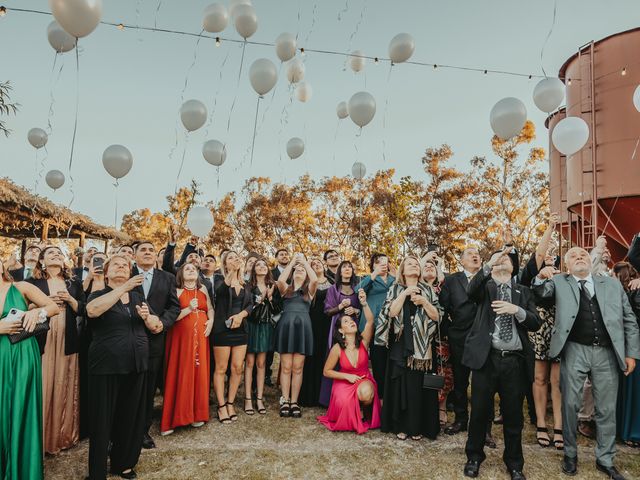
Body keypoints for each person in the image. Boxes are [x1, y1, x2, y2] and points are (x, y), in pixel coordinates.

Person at [534, 247, 640, 480]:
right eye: (573, 256)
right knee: (570, 405)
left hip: (607, 353)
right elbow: (540, 294)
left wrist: (631, 353)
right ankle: (570, 455)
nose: (579, 257)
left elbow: (629, 319)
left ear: (590, 261)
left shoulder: (611, 284)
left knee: (606, 409)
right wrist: (540, 277)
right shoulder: (560, 281)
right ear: (567, 265)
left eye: (583, 254)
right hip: (574, 349)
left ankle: (605, 459)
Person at [462, 247, 541, 480]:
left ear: (514, 267)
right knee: (478, 412)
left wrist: (516, 310)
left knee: (514, 415)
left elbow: (535, 321)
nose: (503, 260)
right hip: (487, 359)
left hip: (514, 362)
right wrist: (488, 264)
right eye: (499, 257)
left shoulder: (523, 291)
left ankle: (515, 464)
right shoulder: (485, 288)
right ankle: (474, 457)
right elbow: (470, 291)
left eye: (507, 258)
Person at [85, 254, 164, 480]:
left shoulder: (138, 297)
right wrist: (123, 289)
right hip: (106, 365)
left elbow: (155, 326)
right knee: (102, 420)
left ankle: (124, 463)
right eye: (116, 265)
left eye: (125, 266)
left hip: (137, 364)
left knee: (131, 417)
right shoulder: (99, 294)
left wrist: (149, 318)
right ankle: (97, 472)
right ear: (107, 272)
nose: (121, 268)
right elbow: (92, 311)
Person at [0, 259, 59, 480]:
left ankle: (22, 471)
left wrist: (38, 313)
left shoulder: (21, 287)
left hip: (22, 355)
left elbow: (53, 307)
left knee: (20, 408)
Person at [377, 255, 443, 441]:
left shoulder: (428, 290)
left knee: (418, 387)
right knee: (401, 386)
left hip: (423, 347)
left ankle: (418, 426)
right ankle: (401, 425)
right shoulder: (395, 288)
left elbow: (437, 316)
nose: (414, 265)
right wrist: (404, 294)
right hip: (401, 344)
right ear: (403, 271)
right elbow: (390, 312)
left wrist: (425, 302)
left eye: (416, 264)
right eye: (409, 264)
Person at [27, 246, 85, 454]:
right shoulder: (33, 282)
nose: (57, 256)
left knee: (63, 382)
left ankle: (62, 435)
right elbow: (24, 308)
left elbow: (84, 309)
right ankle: (38, 439)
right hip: (42, 337)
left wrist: (69, 300)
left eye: (59, 254)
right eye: (51, 253)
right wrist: (44, 304)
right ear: (42, 260)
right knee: (42, 384)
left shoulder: (73, 283)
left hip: (67, 338)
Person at [519, 213, 564, 449]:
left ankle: (558, 427)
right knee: (539, 379)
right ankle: (540, 425)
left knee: (557, 382)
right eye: (543, 258)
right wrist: (550, 227)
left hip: (558, 333)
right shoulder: (530, 279)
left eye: (550, 259)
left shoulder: (564, 279)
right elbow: (537, 254)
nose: (546, 259)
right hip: (537, 333)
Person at [132, 241, 181, 450]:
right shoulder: (125, 274)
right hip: (128, 336)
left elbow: (174, 306)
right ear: (134, 255)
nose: (148, 252)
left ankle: (142, 430)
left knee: (148, 387)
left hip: (155, 338)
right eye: (143, 249)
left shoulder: (167, 278)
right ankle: (118, 432)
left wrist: (162, 323)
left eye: (151, 250)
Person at [318, 288, 381, 434]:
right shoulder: (337, 348)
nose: (351, 322)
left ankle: (363, 409)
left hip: (363, 378)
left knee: (366, 393)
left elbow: (370, 321)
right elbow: (326, 371)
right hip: (344, 381)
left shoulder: (363, 341)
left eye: (351, 320)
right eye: (346, 321)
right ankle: (354, 410)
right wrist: (347, 376)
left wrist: (364, 304)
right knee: (344, 402)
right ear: (341, 330)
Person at [160, 263, 213, 435]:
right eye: (187, 268)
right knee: (182, 372)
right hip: (180, 339)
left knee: (199, 372)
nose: (191, 270)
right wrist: (189, 308)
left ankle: (197, 414)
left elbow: (210, 309)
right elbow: (171, 318)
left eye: (194, 269)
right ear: (180, 273)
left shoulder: (203, 289)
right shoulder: (176, 291)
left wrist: (210, 321)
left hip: (201, 338)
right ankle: (175, 417)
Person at [439, 246, 482, 435]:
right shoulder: (451, 280)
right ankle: (461, 420)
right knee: (460, 382)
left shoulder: (488, 278)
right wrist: (451, 331)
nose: (475, 256)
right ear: (462, 261)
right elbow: (443, 308)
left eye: (477, 254)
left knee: (483, 384)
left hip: (483, 337)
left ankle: (484, 427)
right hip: (459, 338)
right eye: (470, 254)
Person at [212, 251, 253, 424]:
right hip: (222, 329)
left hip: (240, 330)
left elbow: (251, 305)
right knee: (221, 368)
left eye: (236, 257)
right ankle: (221, 406)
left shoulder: (246, 284)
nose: (234, 260)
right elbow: (221, 292)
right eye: (230, 258)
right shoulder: (219, 279)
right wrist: (231, 272)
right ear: (224, 263)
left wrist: (241, 315)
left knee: (237, 368)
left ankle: (230, 403)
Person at [275, 253, 318, 418]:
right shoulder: (286, 289)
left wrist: (305, 263)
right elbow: (280, 280)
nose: (299, 271)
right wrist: (293, 262)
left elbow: (315, 280)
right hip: (287, 328)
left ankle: (294, 402)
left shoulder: (309, 290)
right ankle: (285, 400)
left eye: (303, 270)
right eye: (296, 270)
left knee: (298, 367)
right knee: (286, 367)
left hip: (303, 329)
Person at [320, 260, 362, 406]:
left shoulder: (358, 288)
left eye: (350, 267)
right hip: (337, 328)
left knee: (352, 359)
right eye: (344, 267)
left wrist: (356, 311)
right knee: (336, 359)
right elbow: (327, 311)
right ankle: (330, 399)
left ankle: (353, 397)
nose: (347, 269)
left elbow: (363, 307)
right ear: (339, 271)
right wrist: (339, 306)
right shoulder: (333, 289)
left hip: (354, 327)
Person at [355, 253, 395, 398]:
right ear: (373, 265)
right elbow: (357, 290)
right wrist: (375, 273)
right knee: (373, 359)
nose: (383, 264)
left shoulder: (394, 279)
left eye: (386, 261)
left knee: (387, 359)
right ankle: (374, 395)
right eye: (379, 262)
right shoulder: (369, 278)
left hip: (389, 323)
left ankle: (388, 394)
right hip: (371, 322)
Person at [244, 257, 279, 415]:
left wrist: (270, 298)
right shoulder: (248, 286)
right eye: (258, 265)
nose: (261, 267)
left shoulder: (273, 286)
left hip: (265, 326)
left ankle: (259, 398)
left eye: (264, 265)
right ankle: (247, 399)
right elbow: (246, 307)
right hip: (251, 325)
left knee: (261, 363)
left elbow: (278, 309)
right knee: (250, 362)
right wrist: (261, 298)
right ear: (254, 269)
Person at [421, 253, 453, 427]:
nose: (429, 267)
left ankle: (442, 406)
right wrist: (425, 258)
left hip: (441, 334)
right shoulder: (415, 286)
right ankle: (426, 405)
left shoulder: (444, 287)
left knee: (443, 370)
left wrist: (439, 266)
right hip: (421, 336)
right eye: (425, 266)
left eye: (432, 266)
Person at [613, 262, 640, 447]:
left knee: (631, 389)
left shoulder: (630, 294)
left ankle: (629, 431)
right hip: (629, 346)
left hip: (630, 346)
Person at [299, 257, 332, 407]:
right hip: (312, 322)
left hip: (329, 323)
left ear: (324, 265)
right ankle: (309, 395)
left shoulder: (333, 281)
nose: (316, 264)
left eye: (319, 262)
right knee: (311, 356)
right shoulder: (307, 284)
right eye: (313, 264)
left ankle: (324, 396)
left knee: (325, 356)